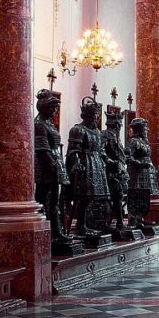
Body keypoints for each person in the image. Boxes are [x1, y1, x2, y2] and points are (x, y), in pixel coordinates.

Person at [34, 89, 73, 245]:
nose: (54, 111)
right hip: (46, 168)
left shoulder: (48, 124)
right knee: (45, 201)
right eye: (51, 108)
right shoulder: (39, 124)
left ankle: (57, 232)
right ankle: (51, 233)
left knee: (55, 201)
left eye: (55, 108)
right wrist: (54, 167)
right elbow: (42, 149)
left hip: (55, 163)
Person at [67, 97, 110, 237]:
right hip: (86, 164)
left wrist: (106, 160)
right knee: (84, 197)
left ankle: (98, 224)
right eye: (93, 115)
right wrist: (77, 162)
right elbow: (74, 150)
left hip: (97, 164)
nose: (95, 118)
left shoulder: (98, 132)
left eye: (96, 115)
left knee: (99, 197)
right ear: (86, 115)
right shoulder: (78, 129)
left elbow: (101, 149)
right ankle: (81, 226)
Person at [125, 118, 158, 230]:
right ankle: (134, 219)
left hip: (146, 173)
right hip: (136, 174)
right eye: (145, 128)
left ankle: (140, 218)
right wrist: (140, 163)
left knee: (144, 196)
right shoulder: (133, 142)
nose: (147, 130)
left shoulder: (144, 142)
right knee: (135, 195)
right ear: (139, 129)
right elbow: (128, 157)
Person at [101, 108, 129, 234]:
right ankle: (111, 222)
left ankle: (118, 222)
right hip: (109, 171)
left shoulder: (117, 138)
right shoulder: (105, 135)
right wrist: (110, 161)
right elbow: (100, 151)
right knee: (113, 197)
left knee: (118, 197)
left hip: (119, 171)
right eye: (118, 125)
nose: (119, 127)